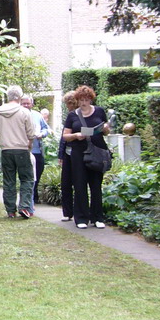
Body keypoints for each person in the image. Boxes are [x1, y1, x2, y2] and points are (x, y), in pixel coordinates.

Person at [62, 84, 111, 229]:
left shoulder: (99, 112)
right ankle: (81, 218)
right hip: (79, 153)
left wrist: (106, 129)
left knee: (96, 184)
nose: (84, 103)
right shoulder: (73, 115)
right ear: (78, 100)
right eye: (81, 100)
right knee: (80, 184)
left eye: (87, 99)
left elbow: (105, 131)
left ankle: (97, 217)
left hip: (97, 151)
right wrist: (76, 135)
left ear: (91, 99)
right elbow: (65, 136)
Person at [0, 85, 36, 218]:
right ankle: (24, 206)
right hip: (22, 149)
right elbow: (31, 133)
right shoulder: (24, 112)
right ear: (20, 97)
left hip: (6, 150)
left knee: (9, 180)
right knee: (27, 178)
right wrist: (29, 144)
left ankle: (10, 210)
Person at [20, 94, 49, 205]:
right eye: (24, 103)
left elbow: (46, 128)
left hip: (37, 150)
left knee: (38, 172)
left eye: (28, 103)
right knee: (27, 175)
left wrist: (42, 134)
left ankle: (34, 194)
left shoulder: (37, 115)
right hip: (24, 150)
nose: (26, 105)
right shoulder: (17, 115)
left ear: (32, 104)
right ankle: (29, 198)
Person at [58, 91, 78, 221]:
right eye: (67, 103)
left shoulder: (78, 116)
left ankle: (76, 211)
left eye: (70, 103)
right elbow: (63, 138)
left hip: (78, 154)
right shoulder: (70, 116)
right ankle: (67, 212)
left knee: (78, 183)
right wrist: (61, 155)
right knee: (65, 183)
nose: (68, 106)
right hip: (67, 154)